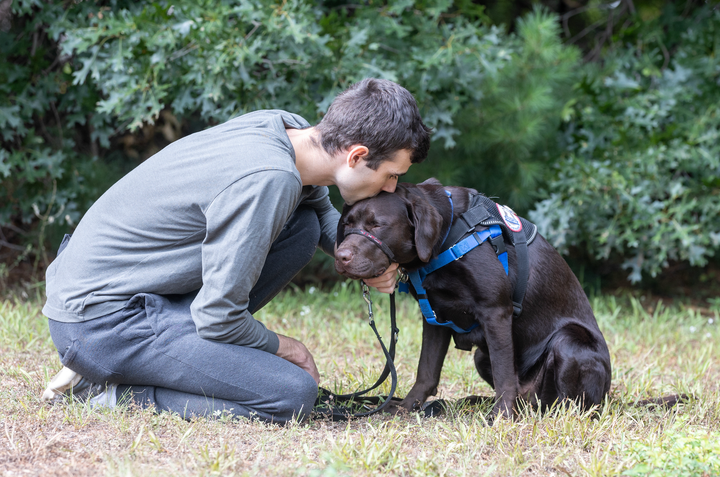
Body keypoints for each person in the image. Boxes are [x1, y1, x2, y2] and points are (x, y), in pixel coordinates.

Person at [40, 78, 432, 424]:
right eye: (391, 175)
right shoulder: (269, 179)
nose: (391, 189)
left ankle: (159, 361)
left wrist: (368, 260)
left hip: (113, 298)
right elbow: (218, 318)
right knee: (290, 395)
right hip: (101, 324)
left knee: (302, 227)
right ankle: (109, 392)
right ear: (357, 156)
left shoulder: (284, 129)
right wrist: (288, 348)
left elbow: (320, 213)